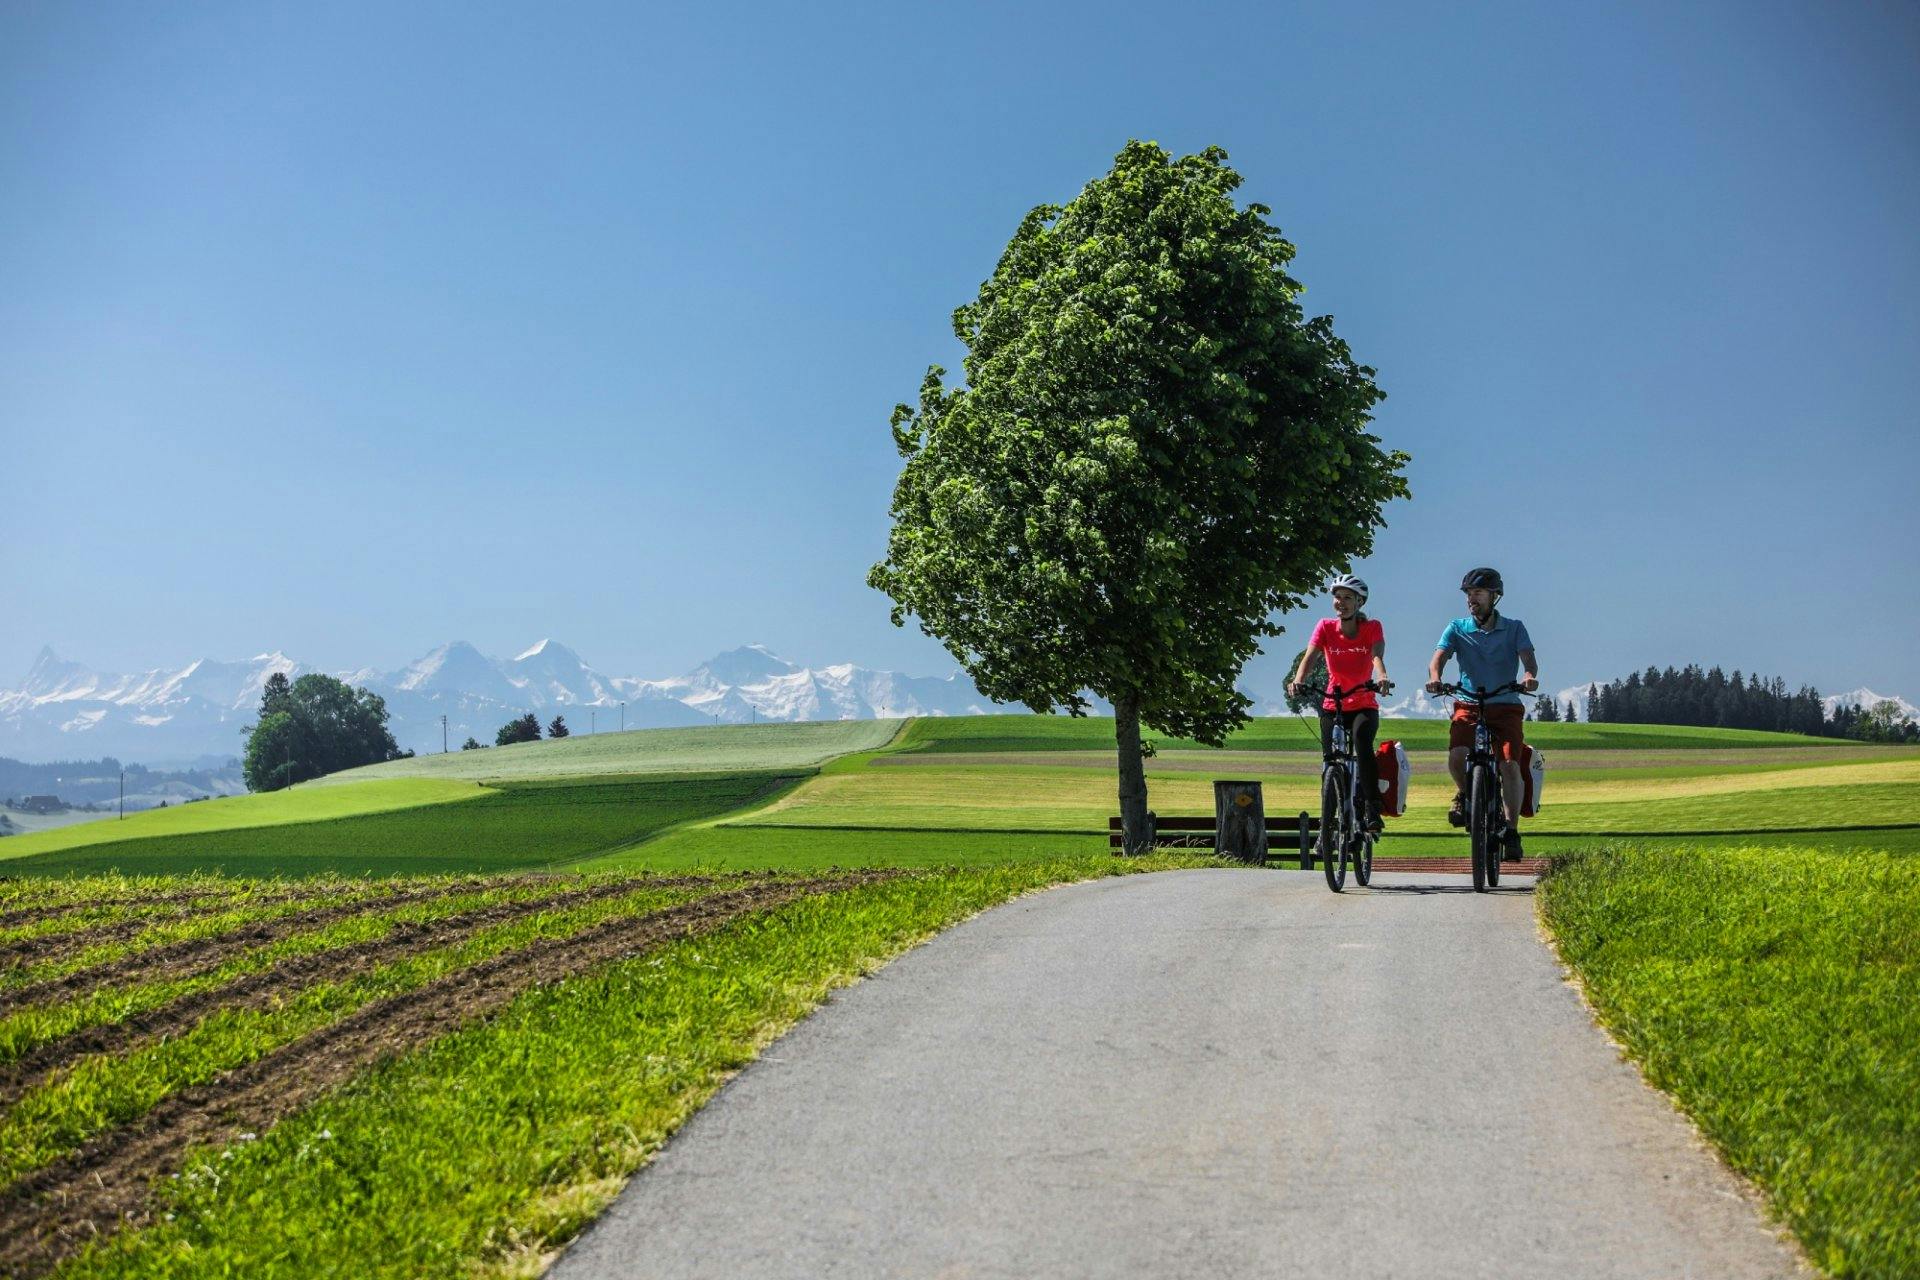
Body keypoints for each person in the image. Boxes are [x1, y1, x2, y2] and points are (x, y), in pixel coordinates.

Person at [1425, 566, 1539, 858]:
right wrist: (1435, 677)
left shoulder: (1514, 627)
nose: (1471, 598)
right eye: (1468, 593)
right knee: (1456, 755)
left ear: (1494, 596)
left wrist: (1528, 676)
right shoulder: (1457, 627)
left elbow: (1528, 659)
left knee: (1510, 765)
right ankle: (1465, 794)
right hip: (1468, 702)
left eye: (1477, 593)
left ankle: (1511, 831)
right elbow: (1438, 658)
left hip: (1505, 704)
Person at [1288, 574, 1393, 834]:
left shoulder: (1372, 627)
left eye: (1347, 598)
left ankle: (1371, 807)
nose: (1341, 602)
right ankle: (1327, 825)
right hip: (1333, 704)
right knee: (1329, 761)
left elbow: (1376, 656)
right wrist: (1298, 680)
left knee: (1361, 742)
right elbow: (1309, 657)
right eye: (1338, 597)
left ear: (1359, 602)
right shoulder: (1324, 627)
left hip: (1363, 703)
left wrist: (1382, 678)